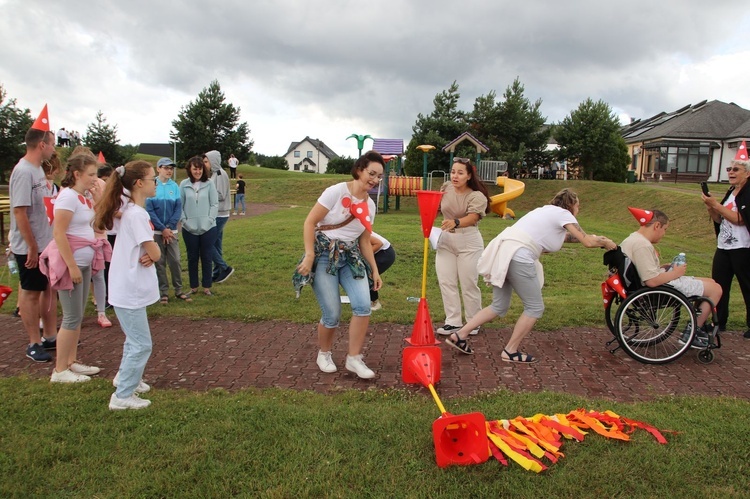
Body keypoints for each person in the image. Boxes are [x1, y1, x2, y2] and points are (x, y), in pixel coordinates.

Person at [445, 188, 617, 361]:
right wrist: (606, 242)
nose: (578, 210)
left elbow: (565, 238)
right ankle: (510, 351)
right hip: (519, 257)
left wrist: (597, 239)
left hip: (504, 253)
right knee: (535, 308)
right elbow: (587, 241)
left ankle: (460, 335)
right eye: (578, 206)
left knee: (499, 305)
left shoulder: (543, 212)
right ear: (571, 205)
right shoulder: (564, 214)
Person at [295, 150, 384, 379]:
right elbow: (310, 222)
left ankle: (354, 358)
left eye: (379, 176)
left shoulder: (370, 206)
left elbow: (364, 241)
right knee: (332, 314)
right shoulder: (335, 192)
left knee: (363, 306)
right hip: (324, 254)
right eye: (371, 173)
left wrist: (374, 269)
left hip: (351, 258)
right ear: (359, 170)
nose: (374, 180)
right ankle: (324, 353)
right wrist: (309, 255)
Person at [95, 161, 160, 410]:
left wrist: (150, 253)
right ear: (139, 184)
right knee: (141, 344)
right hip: (128, 289)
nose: (156, 183)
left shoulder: (133, 212)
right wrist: (153, 254)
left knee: (133, 341)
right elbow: (154, 251)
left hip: (127, 287)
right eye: (152, 179)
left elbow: (148, 250)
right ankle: (122, 396)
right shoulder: (136, 215)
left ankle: (126, 378)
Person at [41, 153, 110, 382]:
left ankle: (71, 361)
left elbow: (98, 222)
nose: (94, 179)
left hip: (84, 263)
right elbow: (59, 233)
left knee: (77, 316)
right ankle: (60, 370)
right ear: (77, 174)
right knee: (71, 317)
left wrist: (98, 197)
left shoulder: (83, 197)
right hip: (73, 265)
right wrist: (71, 266)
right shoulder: (68, 197)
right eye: (91, 175)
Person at [621, 207, 723, 348]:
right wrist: (676, 273)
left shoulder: (632, 239)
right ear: (657, 226)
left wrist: (664, 267)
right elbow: (651, 281)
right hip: (658, 289)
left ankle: (695, 323)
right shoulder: (642, 245)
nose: (664, 234)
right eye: (665, 229)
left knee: (711, 282)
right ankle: (692, 331)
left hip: (649, 285)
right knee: (715, 290)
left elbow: (645, 271)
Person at [9, 126, 58, 362]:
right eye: (52, 144)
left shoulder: (38, 169)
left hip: (45, 242)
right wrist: (31, 246)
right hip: (31, 246)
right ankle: (33, 342)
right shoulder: (23, 171)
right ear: (42, 145)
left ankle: (50, 336)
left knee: (47, 290)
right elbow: (19, 212)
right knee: (30, 293)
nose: (54, 148)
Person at [435, 157, 491, 337]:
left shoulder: (477, 196)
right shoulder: (446, 188)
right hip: (445, 239)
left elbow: (474, 217)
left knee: (468, 283)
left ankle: (473, 321)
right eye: (453, 172)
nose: (455, 176)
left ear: (468, 176)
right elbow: (436, 207)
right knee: (446, 280)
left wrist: (456, 222)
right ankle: (452, 321)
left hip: (469, 242)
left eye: (460, 173)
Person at [702, 149, 750, 338]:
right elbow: (720, 218)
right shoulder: (731, 191)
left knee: (747, 285)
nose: (731, 172)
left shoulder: (748, 192)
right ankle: (718, 321)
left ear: (747, 173)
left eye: (736, 169)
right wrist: (710, 207)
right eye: (729, 169)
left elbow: (740, 219)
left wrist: (716, 206)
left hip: (743, 247)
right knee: (719, 285)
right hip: (724, 246)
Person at [146, 158, 191, 303]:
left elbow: (178, 208)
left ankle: (179, 290)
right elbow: (150, 210)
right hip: (157, 232)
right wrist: (162, 228)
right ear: (158, 169)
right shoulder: (152, 185)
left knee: (175, 260)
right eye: (166, 168)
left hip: (171, 231)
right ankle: (163, 292)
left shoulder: (175, 186)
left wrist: (170, 227)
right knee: (159, 262)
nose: (169, 171)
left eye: (171, 168)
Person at [181, 156, 218, 296]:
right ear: (190, 170)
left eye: (200, 168)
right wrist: (184, 221)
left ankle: (207, 287)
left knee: (207, 257)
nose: (198, 171)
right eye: (195, 169)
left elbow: (214, 204)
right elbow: (180, 205)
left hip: (208, 228)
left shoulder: (209, 184)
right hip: (189, 228)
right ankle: (193, 286)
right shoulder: (184, 184)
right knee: (192, 257)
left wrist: (209, 220)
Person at [204, 151, 234, 283]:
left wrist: (204, 193)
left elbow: (220, 195)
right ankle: (217, 272)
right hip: (217, 213)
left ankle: (225, 268)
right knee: (216, 244)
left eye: (206, 161)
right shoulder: (215, 174)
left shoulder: (220, 174)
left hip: (219, 214)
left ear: (213, 161)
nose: (205, 164)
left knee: (207, 244)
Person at [369, 231, 396, 311]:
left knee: (369, 275)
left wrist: (364, 255)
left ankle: (374, 302)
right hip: (379, 252)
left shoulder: (356, 231)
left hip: (385, 253)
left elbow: (378, 243)